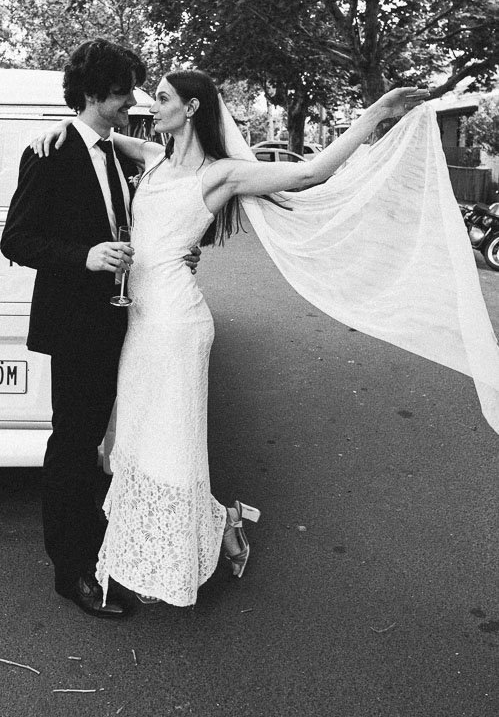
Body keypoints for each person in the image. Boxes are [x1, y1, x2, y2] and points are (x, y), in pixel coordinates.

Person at [33, 69, 428, 607]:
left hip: (175, 323)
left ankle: (170, 561)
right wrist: (53, 129)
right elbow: (90, 132)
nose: (153, 105)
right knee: (139, 437)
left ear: (193, 108)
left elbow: (310, 174)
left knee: (171, 442)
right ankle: (217, 522)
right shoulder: (152, 158)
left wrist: (376, 112)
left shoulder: (222, 175)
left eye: (165, 98)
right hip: (137, 320)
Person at [0, 39, 201, 620]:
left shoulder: (114, 148)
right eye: (121, 94)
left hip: (122, 320)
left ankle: (106, 549)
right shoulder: (49, 153)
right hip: (76, 326)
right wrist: (84, 256)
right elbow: (16, 239)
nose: (131, 103)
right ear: (94, 95)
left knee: (106, 443)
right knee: (74, 444)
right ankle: (71, 571)